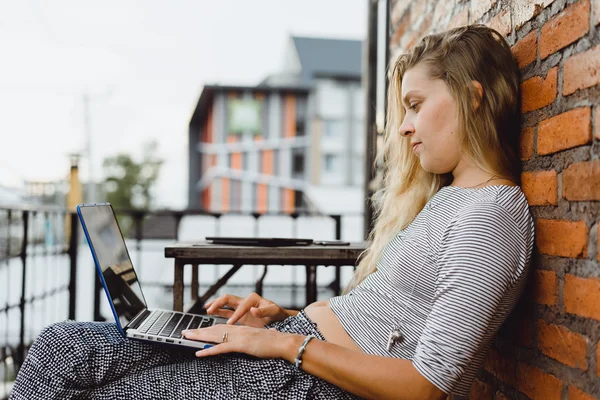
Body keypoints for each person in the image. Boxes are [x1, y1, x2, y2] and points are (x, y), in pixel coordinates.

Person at [10, 24, 534, 400]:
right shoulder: (450, 199)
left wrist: (282, 345)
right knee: (61, 345)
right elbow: (381, 316)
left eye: (416, 105)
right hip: (296, 351)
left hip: (309, 380)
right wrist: (282, 319)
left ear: (473, 97)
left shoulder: (492, 214)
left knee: (102, 390)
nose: (404, 126)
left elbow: (424, 386)